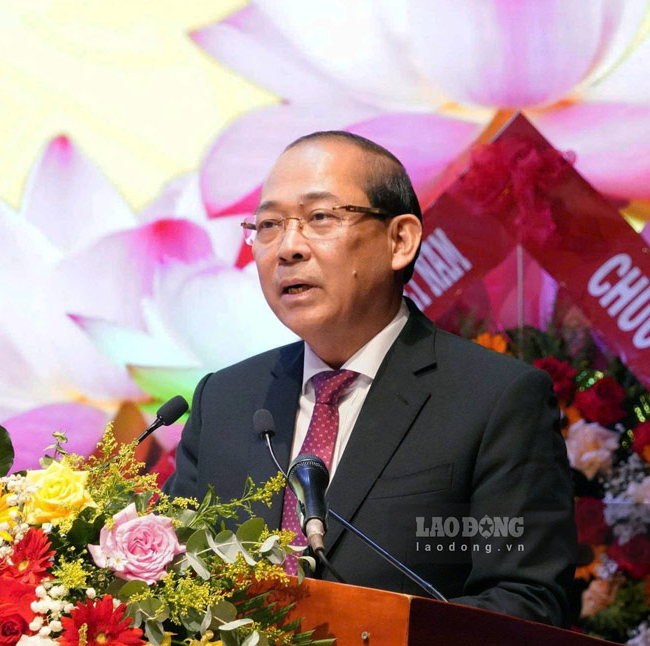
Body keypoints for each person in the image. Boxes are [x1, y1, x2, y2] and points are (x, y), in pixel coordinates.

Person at [163, 131, 576, 627]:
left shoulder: (494, 399)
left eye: (320, 218)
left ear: (399, 240)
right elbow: (171, 579)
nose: (288, 247)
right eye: (269, 225)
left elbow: (526, 604)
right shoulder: (226, 399)